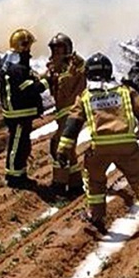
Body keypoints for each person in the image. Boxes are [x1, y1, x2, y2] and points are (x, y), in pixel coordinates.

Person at [57, 52, 139, 241]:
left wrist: (63, 149)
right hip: (127, 146)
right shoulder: (125, 91)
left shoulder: (86, 97)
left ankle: (97, 216)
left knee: (95, 181)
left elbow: (72, 125)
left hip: (99, 148)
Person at [0, 28, 48, 188]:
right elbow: (29, 89)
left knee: (23, 144)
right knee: (18, 145)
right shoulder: (17, 68)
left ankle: (19, 173)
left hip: (18, 113)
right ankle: (14, 177)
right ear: (23, 47)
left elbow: (29, 78)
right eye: (28, 48)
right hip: (18, 114)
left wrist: (41, 75)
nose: (30, 52)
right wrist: (46, 82)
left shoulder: (14, 64)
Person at [45, 33, 86, 199]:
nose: (56, 53)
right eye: (54, 50)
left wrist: (74, 60)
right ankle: (76, 185)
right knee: (68, 150)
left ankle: (59, 186)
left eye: (60, 49)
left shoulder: (74, 66)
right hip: (63, 116)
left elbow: (82, 67)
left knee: (59, 147)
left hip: (73, 115)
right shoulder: (55, 69)